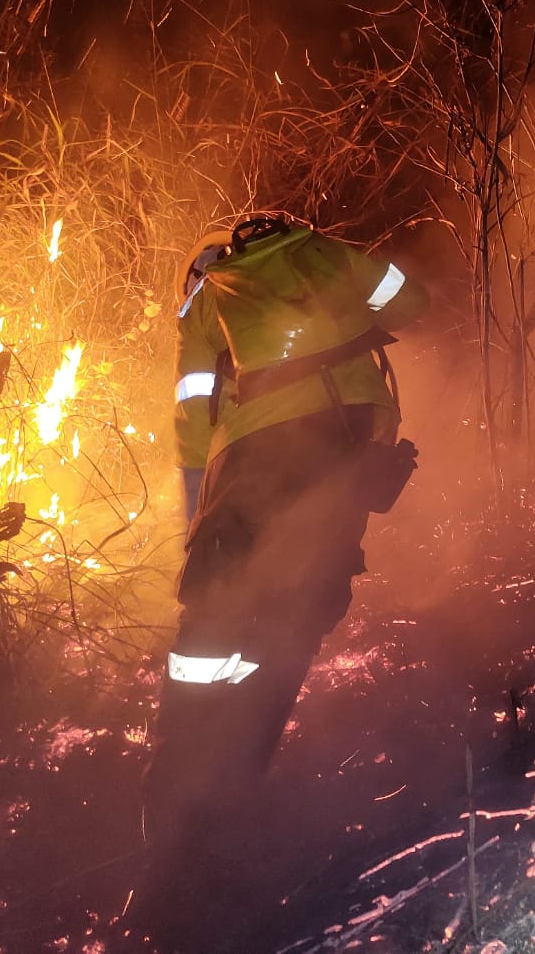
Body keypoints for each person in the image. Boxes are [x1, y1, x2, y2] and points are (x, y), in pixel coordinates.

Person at [141, 213, 428, 926]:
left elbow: (192, 419)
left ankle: (179, 796)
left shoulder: (210, 292)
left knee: (212, 616)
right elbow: (411, 302)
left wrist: (195, 517)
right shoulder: (319, 253)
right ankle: (246, 772)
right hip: (355, 440)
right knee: (303, 603)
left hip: (259, 454)